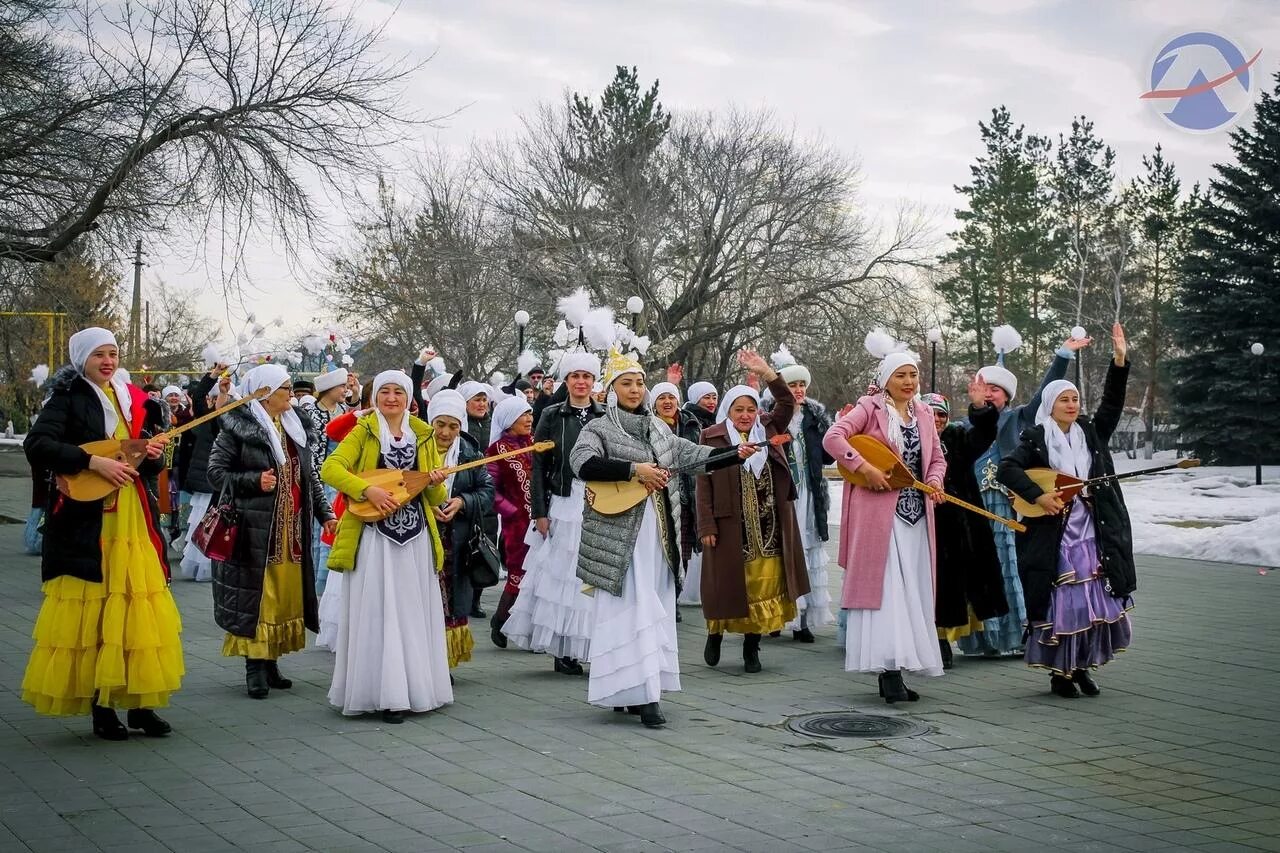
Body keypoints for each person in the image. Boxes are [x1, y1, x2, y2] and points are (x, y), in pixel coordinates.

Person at [571, 348, 758, 728]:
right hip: (620, 534)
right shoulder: (598, 428)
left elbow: (691, 455)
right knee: (627, 610)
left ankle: (645, 689)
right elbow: (581, 464)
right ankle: (633, 693)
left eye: (640, 383)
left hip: (658, 534)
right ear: (610, 390)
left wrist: (732, 455)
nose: (636, 389)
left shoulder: (658, 427)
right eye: (627, 383)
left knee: (652, 606)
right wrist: (633, 469)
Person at [21, 328, 183, 739]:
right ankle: (102, 707)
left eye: (112, 354)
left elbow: (131, 462)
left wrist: (151, 456)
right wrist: (92, 463)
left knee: (136, 608)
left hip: (132, 517)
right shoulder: (68, 396)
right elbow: (38, 444)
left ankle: (139, 703)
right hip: (91, 524)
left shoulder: (129, 398)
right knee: (97, 612)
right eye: (99, 355)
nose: (108, 362)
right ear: (82, 360)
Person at [998, 324, 1135, 698]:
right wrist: (1039, 497)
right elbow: (1007, 469)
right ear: (1050, 405)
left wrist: (1119, 361)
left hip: (1093, 529)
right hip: (1055, 534)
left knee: (1094, 602)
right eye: (1064, 400)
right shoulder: (1036, 437)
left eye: (1075, 399)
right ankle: (1060, 673)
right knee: (1066, 603)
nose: (1072, 405)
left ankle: (1083, 667)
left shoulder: (1090, 432)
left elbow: (1112, 403)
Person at [321, 371, 454, 721]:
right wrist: (368, 490)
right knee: (378, 607)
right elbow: (330, 468)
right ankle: (381, 693)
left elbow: (434, 494)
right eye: (385, 392)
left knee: (411, 608)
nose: (391, 398)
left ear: (409, 398)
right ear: (375, 396)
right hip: (374, 536)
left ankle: (413, 688)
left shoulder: (423, 435)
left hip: (416, 536)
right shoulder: (364, 430)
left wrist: (437, 480)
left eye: (398, 392)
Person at [823, 333, 946, 703]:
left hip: (916, 518)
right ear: (886, 380)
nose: (909, 382)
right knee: (888, 591)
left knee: (913, 590)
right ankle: (888, 671)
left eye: (913, 375)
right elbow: (834, 438)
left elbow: (937, 457)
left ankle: (904, 664)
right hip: (880, 517)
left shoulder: (923, 413)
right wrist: (864, 468)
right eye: (901, 376)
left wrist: (936, 481)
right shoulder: (869, 407)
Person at [958, 328, 1092, 658]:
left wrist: (1063, 355)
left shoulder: (1019, 419)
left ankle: (1015, 635)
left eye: (996, 390)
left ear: (1006, 395)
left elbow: (1047, 390)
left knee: (1008, 564)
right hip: (972, 506)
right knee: (975, 566)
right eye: (984, 389)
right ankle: (981, 638)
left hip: (1006, 504)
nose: (989, 395)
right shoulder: (964, 426)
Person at [207, 364, 335, 699]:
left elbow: (311, 480)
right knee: (258, 598)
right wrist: (253, 481)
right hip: (253, 532)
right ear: (264, 392)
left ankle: (271, 660)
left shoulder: (295, 429)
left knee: (283, 597)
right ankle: (254, 665)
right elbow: (215, 473)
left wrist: (327, 516)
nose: (291, 393)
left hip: (290, 531)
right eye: (285, 387)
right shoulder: (238, 429)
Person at [697, 364, 810, 673]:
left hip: (769, 527)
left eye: (750, 409)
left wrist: (768, 374)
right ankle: (715, 632)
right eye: (739, 410)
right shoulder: (713, 437)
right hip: (730, 526)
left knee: (761, 588)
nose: (745, 415)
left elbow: (786, 402)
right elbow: (703, 482)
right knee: (728, 586)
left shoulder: (768, 429)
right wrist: (706, 524)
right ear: (728, 411)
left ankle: (751, 646)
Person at [502, 352, 602, 674]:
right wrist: (540, 512)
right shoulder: (551, 415)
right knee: (564, 574)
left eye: (587, 377)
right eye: (575, 376)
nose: (581, 382)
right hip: (564, 500)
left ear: (593, 381)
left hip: (598, 501)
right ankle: (564, 649)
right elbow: (539, 466)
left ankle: (591, 642)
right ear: (567, 381)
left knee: (592, 574)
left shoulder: (605, 416)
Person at [923, 381, 1008, 669]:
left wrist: (980, 407)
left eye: (941, 415)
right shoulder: (910, 438)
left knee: (959, 585)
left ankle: (950, 638)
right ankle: (936, 640)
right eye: (931, 414)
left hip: (960, 525)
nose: (936, 420)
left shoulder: (958, 438)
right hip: (923, 523)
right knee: (931, 585)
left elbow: (984, 434)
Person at [767, 348, 835, 640]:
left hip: (810, 495)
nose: (797, 390)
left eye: (800, 385)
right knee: (780, 554)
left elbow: (829, 458)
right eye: (791, 385)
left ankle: (803, 621)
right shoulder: (771, 416)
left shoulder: (816, 417)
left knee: (808, 552)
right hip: (781, 496)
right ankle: (775, 617)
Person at [426, 388, 495, 669]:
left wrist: (462, 501)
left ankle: (446, 661)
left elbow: (486, 490)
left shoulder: (470, 453)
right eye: (440, 424)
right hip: (424, 533)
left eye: (453, 426)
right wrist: (427, 505)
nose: (445, 432)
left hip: (458, 535)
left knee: (453, 596)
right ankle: (425, 657)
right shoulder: (416, 449)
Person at [485, 394, 535, 647]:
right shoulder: (496, 451)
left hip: (541, 520)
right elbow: (489, 489)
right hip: (517, 525)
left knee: (539, 575)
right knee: (518, 574)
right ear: (508, 420)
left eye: (529, 414)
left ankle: (530, 629)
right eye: (522, 415)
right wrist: (512, 511)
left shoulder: (536, 443)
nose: (528, 419)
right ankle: (501, 618)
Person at [178, 368, 231, 582]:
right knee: (204, 522)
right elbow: (199, 396)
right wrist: (213, 377)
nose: (220, 402)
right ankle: (201, 565)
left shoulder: (230, 422)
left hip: (219, 480)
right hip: (206, 480)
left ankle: (212, 564)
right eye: (217, 398)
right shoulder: (206, 419)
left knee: (216, 524)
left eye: (225, 399)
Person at [301, 367, 350, 595]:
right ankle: (315, 582)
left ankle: (332, 580)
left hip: (341, 477)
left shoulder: (343, 410)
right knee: (318, 530)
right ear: (329, 389)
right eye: (342, 386)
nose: (345, 390)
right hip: (319, 478)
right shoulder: (311, 412)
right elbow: (309, 449)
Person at [676, 380, 719, 608]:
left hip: (712, 482)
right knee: (686, 542)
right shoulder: (688, 421)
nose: (711, 402)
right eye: (706, 397)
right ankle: (678, 592)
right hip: (691, 486)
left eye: (714, 397)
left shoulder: (719, 421)